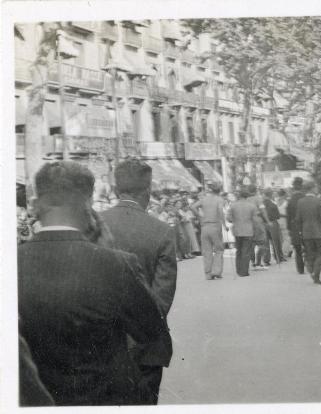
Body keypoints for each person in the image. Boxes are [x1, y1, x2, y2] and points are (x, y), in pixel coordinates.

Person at [19, 161, 167, 405]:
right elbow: (152, 332)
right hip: (104, 399)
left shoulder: (12, 265)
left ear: (37, 205)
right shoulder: (116, 264)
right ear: (88, 205)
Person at [100, 159, 178, 405]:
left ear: (115, 190)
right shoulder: (162, 231)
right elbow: (161, 299)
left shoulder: (94, 225)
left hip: (102, 345)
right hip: (146, 347)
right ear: (149, 191)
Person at [295, 181, 321, 284]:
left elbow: (298, 218)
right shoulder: (319, 201)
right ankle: (315, 272)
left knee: (310, 253)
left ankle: (312, 271)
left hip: (306, 233)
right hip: (318, 232)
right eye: (316, 187)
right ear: (313, 188)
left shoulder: (300, 202)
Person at [192, 182, 226, 280]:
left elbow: (193, 207)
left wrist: (200, 217)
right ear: (219, 191)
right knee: (219, 249)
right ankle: (216, 271)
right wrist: (224, 224)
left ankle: (208, 273)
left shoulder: (204, 199)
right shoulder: (219, 199)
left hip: (205, 226)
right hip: (215, 225)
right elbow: (220, 211)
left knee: (207, 251)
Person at [227, 188, 259, 277]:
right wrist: (256, 230)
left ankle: (238, 270)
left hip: (237, 231)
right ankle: (244, 271)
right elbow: (255, 220)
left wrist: (235, 220)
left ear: (239, 196)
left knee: (239, 251)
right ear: (247, 196)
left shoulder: (233, 205)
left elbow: (229, 219)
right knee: (246, 251)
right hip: (248, 231)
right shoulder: (252, 206)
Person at [247, 184, 270, 269]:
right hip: (257, 221)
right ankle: (258, 262)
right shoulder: (258, 199)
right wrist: (268, 221)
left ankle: (253, 262)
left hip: (248, 222)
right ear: (256, 190)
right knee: (263, 242)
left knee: (251, 243)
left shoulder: (246, 200)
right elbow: (263, 210)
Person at [287, 177, 306, 274]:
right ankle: (309, 264)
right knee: (308, 246)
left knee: (297, 249)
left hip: (294, 226)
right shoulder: (305, 197)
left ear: (294, 187)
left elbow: (288, 215)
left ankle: (300, 269)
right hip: (305, 225)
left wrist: (289, 229)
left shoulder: (291, 200)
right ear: (302, 186)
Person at [263, 188, 284, 263]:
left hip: (263, 224)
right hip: (273, 223)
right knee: (276, 242)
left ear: (264, 194)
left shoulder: (261, 205)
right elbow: (278, 216)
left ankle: (266, 260)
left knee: (265, 243)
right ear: (271, 195)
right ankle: (278, 257)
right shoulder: (273, 205)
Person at [276, 189, 293, 258]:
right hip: (285, 220)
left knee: (281, 238)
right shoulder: (286, 202)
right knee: (287, 237)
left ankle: (289, 250)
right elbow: (288, 213)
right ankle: (285, 252)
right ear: (284, 194)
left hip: (277, 221)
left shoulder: (276, 202)